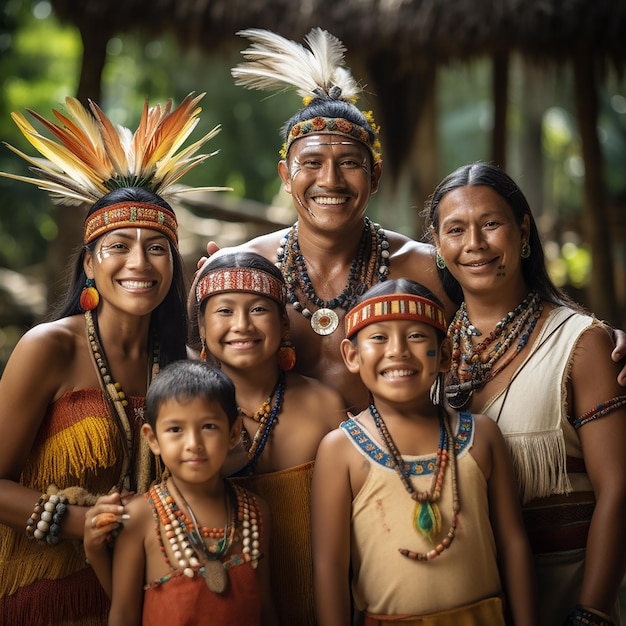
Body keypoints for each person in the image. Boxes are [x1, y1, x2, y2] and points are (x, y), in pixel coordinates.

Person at [194, 27, 626, 413]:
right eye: (312, 163)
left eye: (349, 163)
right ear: (286, 177)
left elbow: (525, 318)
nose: (331, 180)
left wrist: (604, 341)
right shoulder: (240, 270)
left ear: (375, 176)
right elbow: (189, 376)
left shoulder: (428, 269)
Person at [0, 93, 224, 625]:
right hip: (47, 595)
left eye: (157, 247)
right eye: (118, 245)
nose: (138, 262)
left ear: (174, 264)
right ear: (90, 264)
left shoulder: (183, 365)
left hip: (156, 599)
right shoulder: (49, 348)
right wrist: (78, 522)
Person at [425, 161, 626, 626]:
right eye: (456, 229)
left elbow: (619, 489)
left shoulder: (582, 343)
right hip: (466, 604)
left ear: (522, 229)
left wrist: (591, 612)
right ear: (437, 244)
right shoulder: (428, 351)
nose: (474, 244)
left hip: (565, 593)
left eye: (491, 224)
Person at [311, 279, 539, 625]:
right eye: (378, 337)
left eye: (416, 336)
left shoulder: (483, 435)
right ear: (352, 356)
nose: (398, 350)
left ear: (445, 355)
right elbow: (329, 566)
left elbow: (513, 544)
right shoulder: (340, 449)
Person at [193, 250, 345, 626]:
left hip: (322, 605)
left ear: (285, 325)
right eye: (224, 311)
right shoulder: (185, 412)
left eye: (259, 310)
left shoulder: (324, 405)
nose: (241, 325)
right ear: (201, 328)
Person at [88, 359, 277, 626]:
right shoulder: (141, 517)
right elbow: (123, 614)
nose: (193, 444)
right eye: (175, 430)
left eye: (209, 427)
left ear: (234, 433)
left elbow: (265, 608)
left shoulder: (255, 511)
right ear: (152, 439)